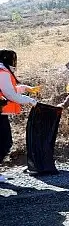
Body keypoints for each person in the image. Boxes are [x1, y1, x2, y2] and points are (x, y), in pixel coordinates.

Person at [0, 50, 38, 182]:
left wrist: (26, 88)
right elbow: (10, 95)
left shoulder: (2, 71)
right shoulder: (3, 72)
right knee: (5, 143)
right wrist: (31, 101)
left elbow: (7, 90)